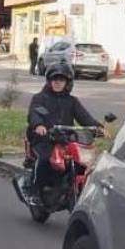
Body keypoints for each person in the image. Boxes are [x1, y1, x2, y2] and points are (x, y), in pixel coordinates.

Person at [23, 61, 102, 205]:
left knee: (82, 161)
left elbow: (85, 118)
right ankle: (34, 191)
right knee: (44, 159)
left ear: (68, 82)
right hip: (44, 139)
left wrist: (99, 129)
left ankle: (75, 188)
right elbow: (34, 114)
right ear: (49, 81)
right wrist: (39, 125)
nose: (57, 82)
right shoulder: (40, 98)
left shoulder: (72, 101)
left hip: (65, 139)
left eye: (61, 79)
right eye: (54, 79)